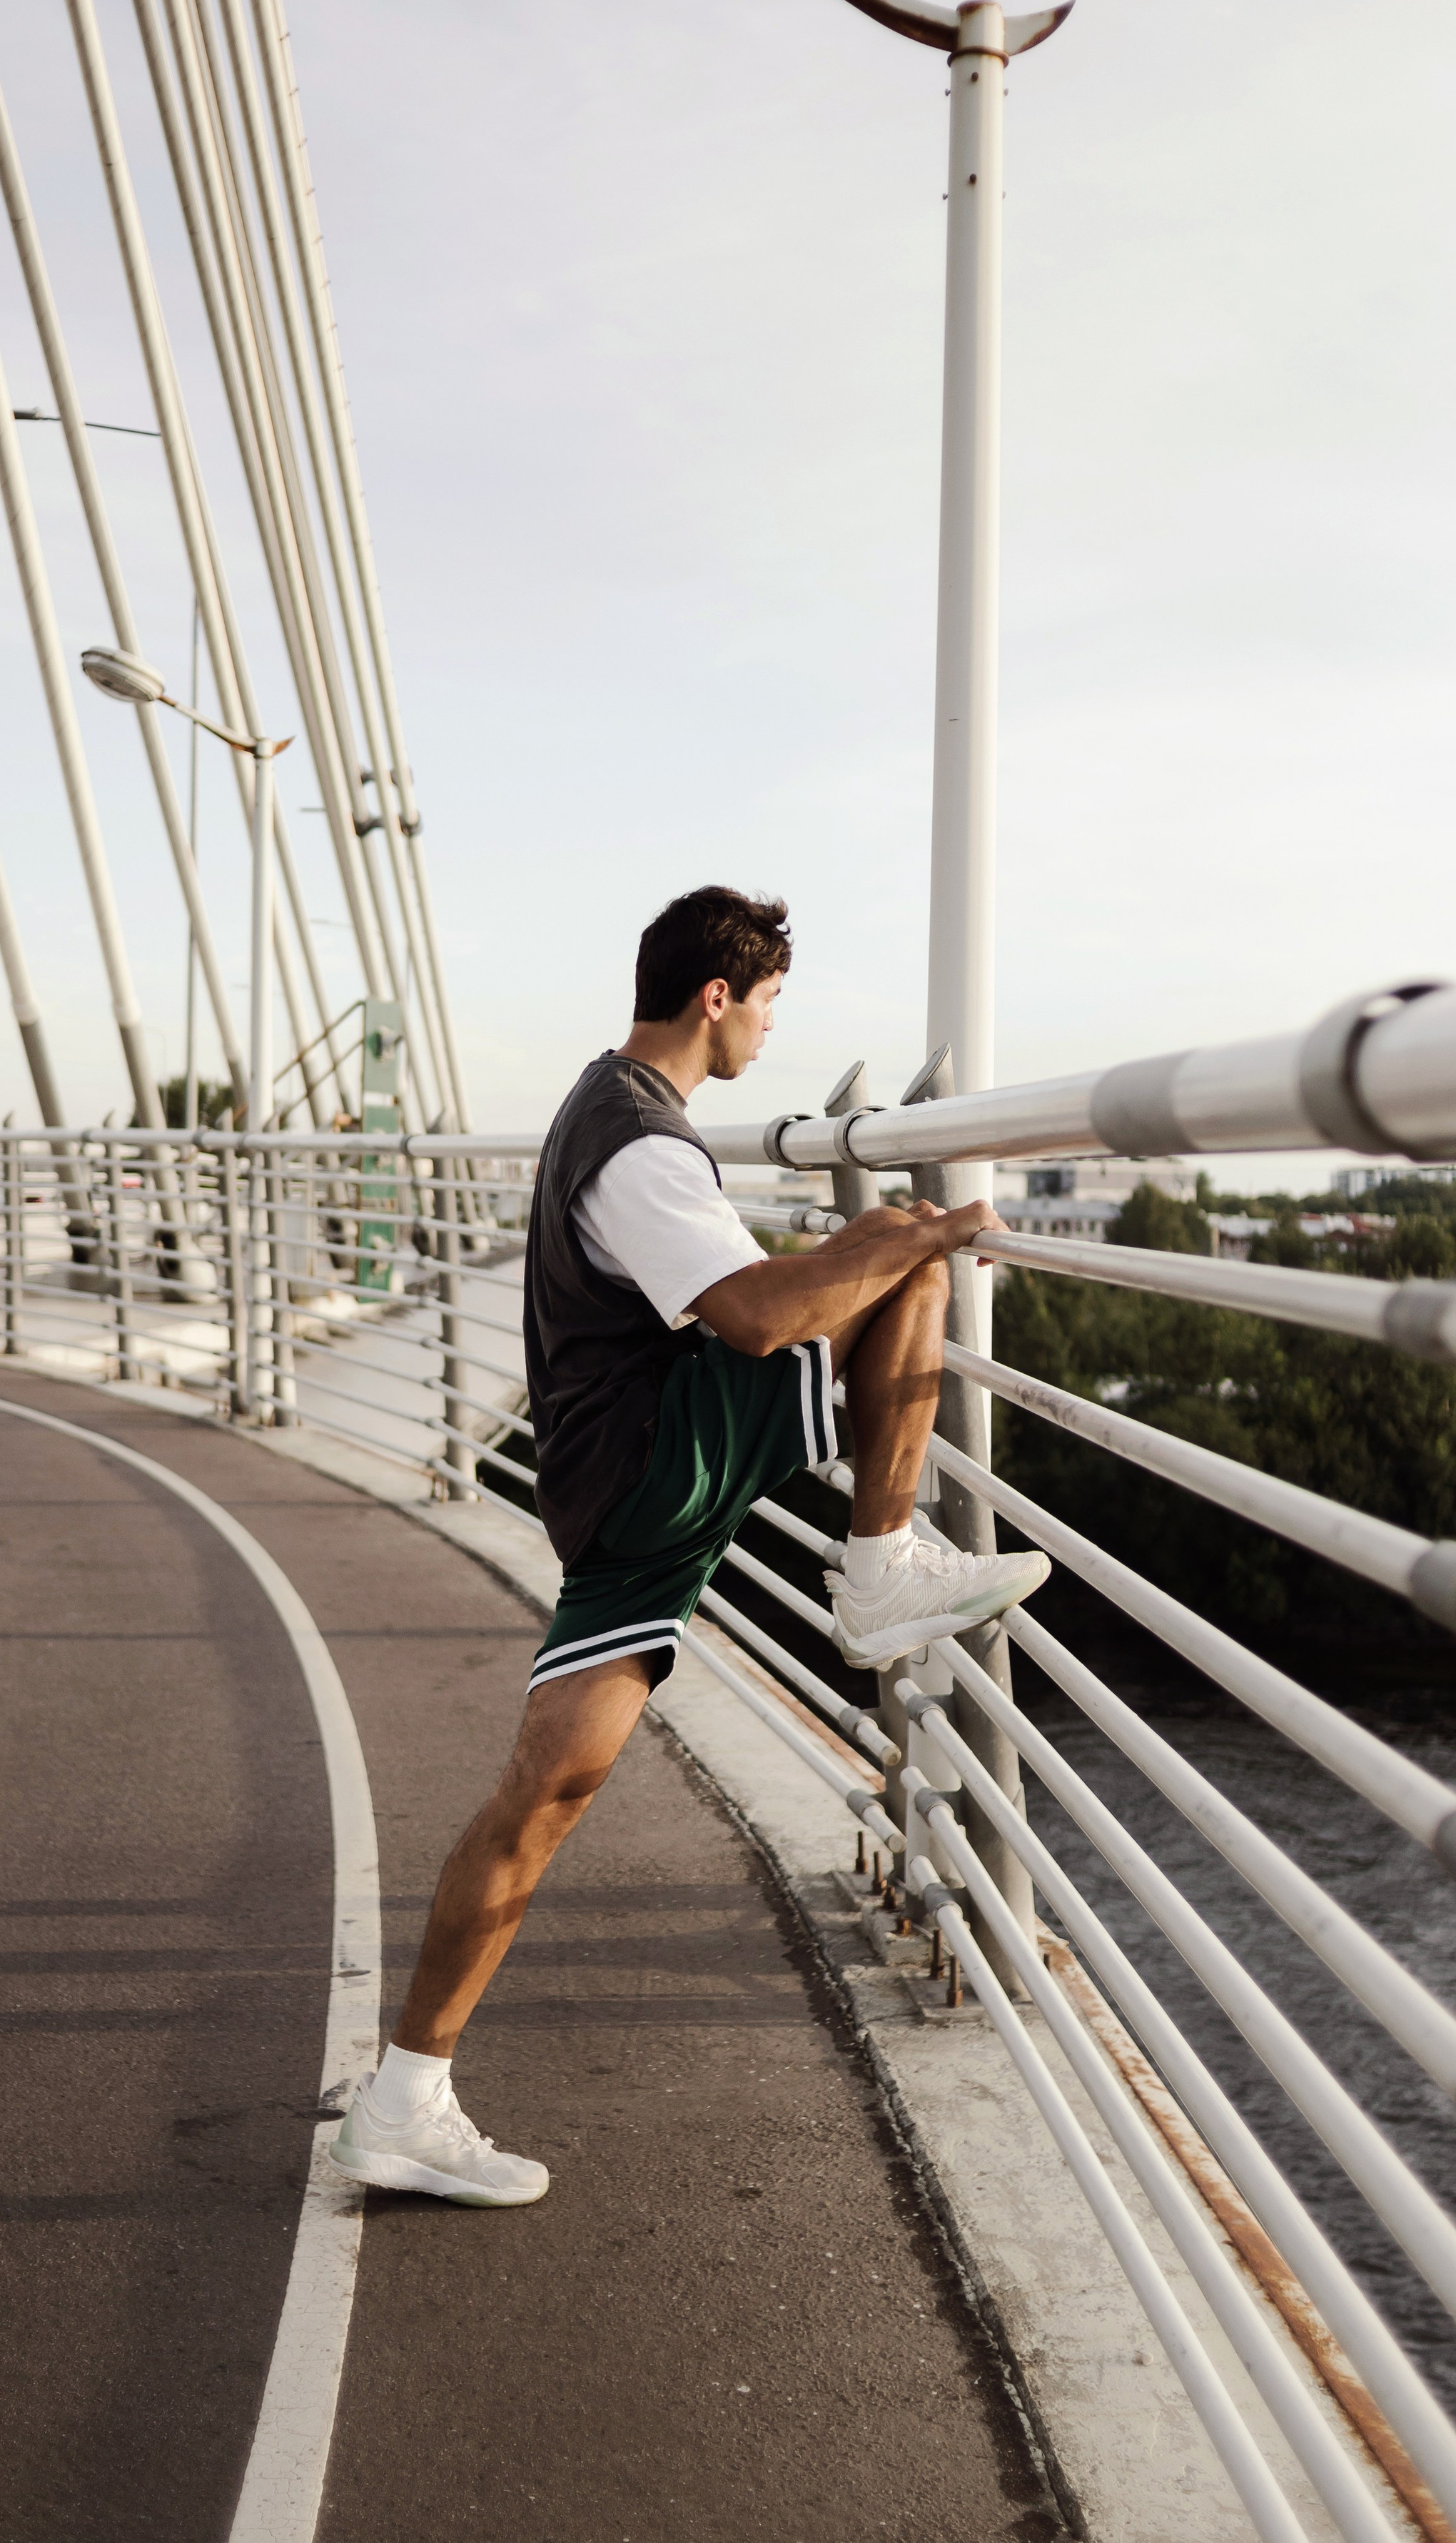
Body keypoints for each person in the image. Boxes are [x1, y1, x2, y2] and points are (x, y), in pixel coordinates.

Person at [333, 887, 1048, 2205]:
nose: (771, 1029)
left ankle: (401, 2099)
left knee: (544, 1796)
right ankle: (879, 1572)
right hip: (658, 1469)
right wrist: (922, 1229)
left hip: (618, 1487)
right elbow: (757, 1321)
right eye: (769, 1001)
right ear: (718, 998)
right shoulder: (642, 1148)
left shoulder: (604, 1108)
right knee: (904, 1253)